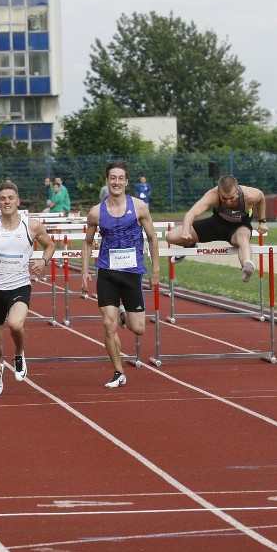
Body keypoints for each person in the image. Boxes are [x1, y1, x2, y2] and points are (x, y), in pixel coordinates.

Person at [0, 182, 55, 395]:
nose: (7, 201)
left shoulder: (31, 226)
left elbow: (50, 245)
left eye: (11, 198)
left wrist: (43, 261)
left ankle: (19, 354)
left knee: (15, 324)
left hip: (20, 286)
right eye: (3, 198)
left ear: (18, 201)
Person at [80, 161, 160, 389]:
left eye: (120, 178)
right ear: (107, 181)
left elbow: (153, 239)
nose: (116, 182)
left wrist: (155, 270)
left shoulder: (139, 207)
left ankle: (125, 315)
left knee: (138, 329)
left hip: (132, 272)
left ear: (126, 181)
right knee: (108, 324)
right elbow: (87, 243)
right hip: (106, 272)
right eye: (112, 178)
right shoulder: (96, 212)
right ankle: (118, 371)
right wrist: (85, 270)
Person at [165, 175, 267, 283]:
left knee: (243, 237)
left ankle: (246, 266)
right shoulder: (212, 195)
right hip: (216, 224)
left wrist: (262, 222)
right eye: (224, 198)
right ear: (218, 192)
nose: (228, 202)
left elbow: (261, 198)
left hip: (239, 227)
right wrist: (185, 231)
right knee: (171, 237)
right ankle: (190, 245)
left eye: (231, 198)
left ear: (237, 191)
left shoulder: (250, 195)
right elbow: (191, 213)